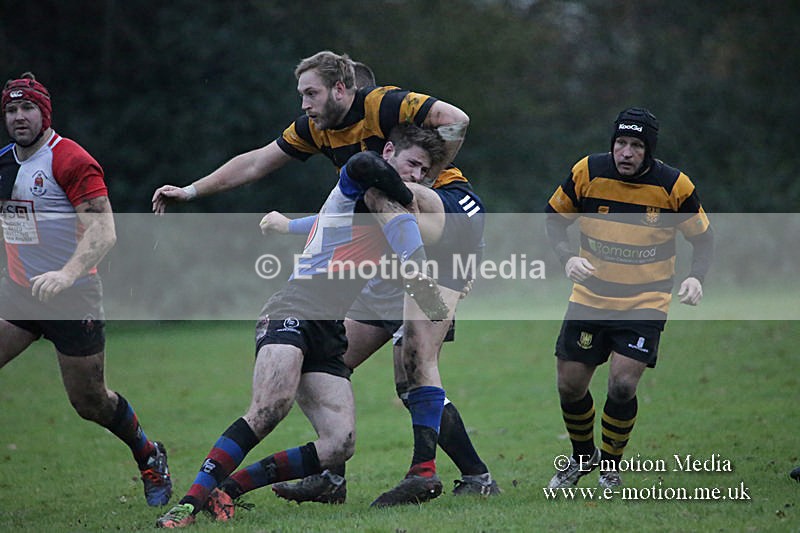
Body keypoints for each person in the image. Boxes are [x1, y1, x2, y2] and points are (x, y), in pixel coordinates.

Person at [155, 124, 447, 528]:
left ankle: (230, 489)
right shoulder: (363, 180)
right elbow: (363, 163)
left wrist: (285, 224)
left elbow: (326, 223)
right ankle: (188, 503)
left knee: (339, 443)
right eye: (411, 164)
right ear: (391, 151)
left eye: (423, 172)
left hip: (330, 329)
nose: (414, 176)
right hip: (293, 307)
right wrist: (409, 223)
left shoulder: (388, 209)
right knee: (270, 407)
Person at [238, 167, 498, 510]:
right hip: (380, 285)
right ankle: (331, 479)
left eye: (422, 164)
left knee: (412, 381)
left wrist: (467, 271)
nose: (415, 169)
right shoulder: (378, 165)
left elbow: (467, 227)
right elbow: (342, 218)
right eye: (409, 160)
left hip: (430, 284)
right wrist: (288, 226)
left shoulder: (450, 183)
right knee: (328, 362)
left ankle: (471, 478)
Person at [0, 73, 172, 506]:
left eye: (27, 108)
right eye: (10, 110)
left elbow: (104, 233)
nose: (19, 117)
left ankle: (149, 454)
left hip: (72, 295)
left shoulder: (71, 160)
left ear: (44, 113)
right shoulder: (3, 162)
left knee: (90, 401)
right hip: (20, 293)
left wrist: (66, 273)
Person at [544, 107, 714, 489]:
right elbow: (554, 219)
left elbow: (702, 239)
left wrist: (696, 278)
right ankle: (582, 456)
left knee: (622, 384)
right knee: (569, 385)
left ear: (648, 150)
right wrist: (567, 256)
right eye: (621, 143)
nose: (626, 152)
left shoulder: (675, 186)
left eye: (636, 145)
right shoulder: (587, 172)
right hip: (590, 298)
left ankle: (611, 466)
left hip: (645, 301)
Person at [151, 50, 469, 215]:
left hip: (446, 201)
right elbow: (255, 163)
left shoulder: (383, 104)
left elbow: (456, 119)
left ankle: (419, 271)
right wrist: (189, 191)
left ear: (340, 90)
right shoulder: (315, 130)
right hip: (394, 220)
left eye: (311, 94)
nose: (304, 105)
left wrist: (426, 180)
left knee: (371, 189)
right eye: (302, 95)